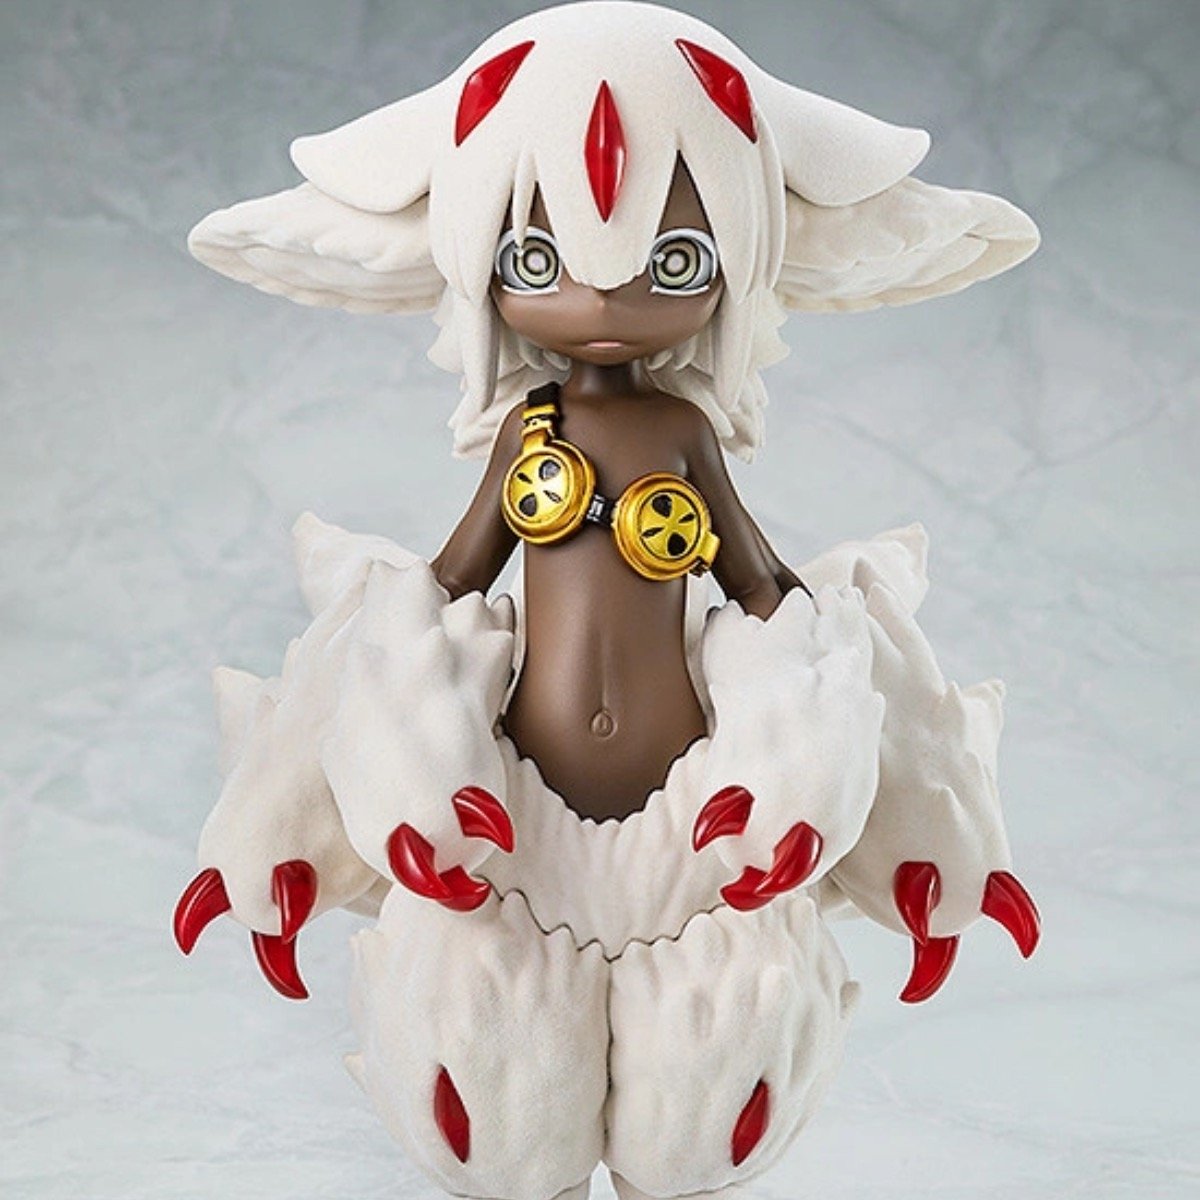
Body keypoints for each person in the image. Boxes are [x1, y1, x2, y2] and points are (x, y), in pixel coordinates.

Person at [174, 5, 1042, 1197]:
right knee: (497, 1115)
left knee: (703, 1116)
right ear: (479, 270)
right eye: (536, 263)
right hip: (509, 829)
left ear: (737, 269)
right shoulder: (529, 434)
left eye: (673, 263)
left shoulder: (680, 430)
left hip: (702, 830)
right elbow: (451, 579)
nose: (599, 301)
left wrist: (842, 718)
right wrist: (357, 734)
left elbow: (756, 579)